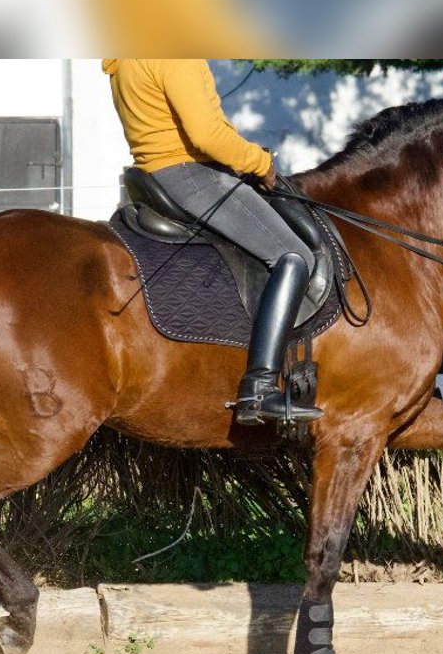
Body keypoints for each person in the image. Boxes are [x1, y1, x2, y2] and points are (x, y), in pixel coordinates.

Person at [103, 58, 322, 425]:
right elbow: (206, 134)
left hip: (153, 175)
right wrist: (260, 162)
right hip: (191, 174)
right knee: (293, 255)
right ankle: (260, 386)